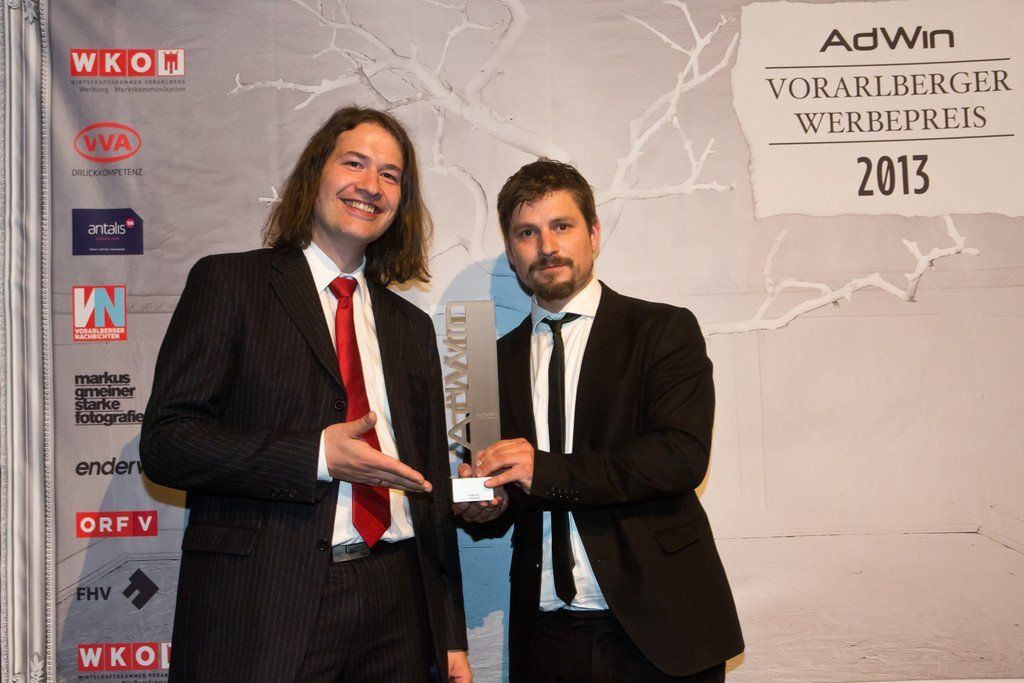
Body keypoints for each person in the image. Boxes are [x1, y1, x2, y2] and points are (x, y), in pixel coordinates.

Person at [141, 106, 470, 682]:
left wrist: (450, 636)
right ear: (315, 173)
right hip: (266, 604)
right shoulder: (230, 284)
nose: (371, 186)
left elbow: (428, 492)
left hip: (398, 603)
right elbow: (168, 444)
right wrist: (316, 456)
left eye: (390, 175)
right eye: (354, 163)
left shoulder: (411, 327)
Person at [457, 159, 743, 681]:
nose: (546, 246)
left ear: (593, 234)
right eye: (527, 233)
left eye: (561, 226)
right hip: (545, 635)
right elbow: (503, 491)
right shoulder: (488, 363)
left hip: (662, 626)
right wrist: (483, 506)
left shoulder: (663, 330)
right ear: (512, 253)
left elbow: (679, 457)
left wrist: (543, 470)